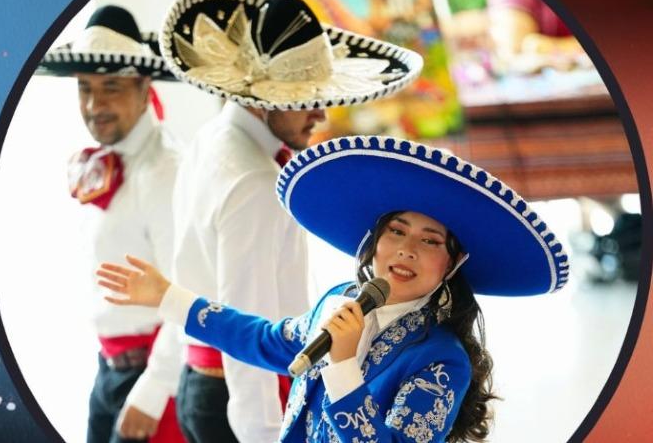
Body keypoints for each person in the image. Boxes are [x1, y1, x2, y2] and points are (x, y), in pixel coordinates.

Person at [96, 135, 569, 442]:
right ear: (374, 240)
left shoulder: (442, 359)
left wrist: (343, 365)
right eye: (397, 232)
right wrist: (167, 296)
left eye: (429, 241)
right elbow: (264, 339)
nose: (406, 251)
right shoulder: (338, 300)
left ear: (452, 265)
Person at [157, 0, 423, 442]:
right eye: (306, 99)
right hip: (239, 396)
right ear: (263, 99)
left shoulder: (212, 138)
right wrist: (262, 433)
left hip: (205, 383)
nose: (320, 114)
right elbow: (248, 325)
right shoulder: (254, 183)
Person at [37, 5, 185, 443]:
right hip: (109, 369)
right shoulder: (108, 162)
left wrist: (154, 390)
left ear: (144, 89)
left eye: (111, 88)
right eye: (85, 88)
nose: (93, 105)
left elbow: (191, 289)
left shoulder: (167, 172)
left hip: (154, 376)